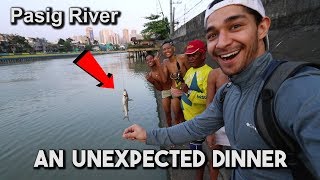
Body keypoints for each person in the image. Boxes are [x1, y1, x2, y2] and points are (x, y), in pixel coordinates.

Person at [123, 0, 320, 179]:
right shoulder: (228, 92)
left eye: (235, 26)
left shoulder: (301, 90)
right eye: (212, 34)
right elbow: (195, 126)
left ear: (262, 28)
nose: (223, 42)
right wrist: (148, 135)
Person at [179, 39, 213, 180]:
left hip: (199, 122)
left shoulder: (210, 73)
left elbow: (208, 97)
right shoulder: (190, 71)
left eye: (194, 55)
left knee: (196, 156)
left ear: (203, 55)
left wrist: (187, 92)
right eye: (188, 55)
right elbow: (184, 88)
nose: (190, 58)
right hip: (189, 120)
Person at [205, 68, 230, 180]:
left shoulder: (248, 70)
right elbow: (209, 102)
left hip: (238, 122)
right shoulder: (214, 74)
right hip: (219, 123)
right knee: (215, 159)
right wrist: (210, 131)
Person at [161, 40, 190, 124]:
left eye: (168, 48)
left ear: (173, 48)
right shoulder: (165, 62)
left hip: (186, 89)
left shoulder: (183, 57)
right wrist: (158, 66)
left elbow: (190, 71)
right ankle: (179, 133)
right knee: (177, 114)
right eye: (164, 49)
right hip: (175, 91)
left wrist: (184, 80)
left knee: (187, 113)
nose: (166, 51)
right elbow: (165, 79)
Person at [145, 53, 173, 127]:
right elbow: (160, 88)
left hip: (173, 88)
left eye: (151, 59)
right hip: (165, 91)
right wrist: (152, 81)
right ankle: (170, 128)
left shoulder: (163, 66)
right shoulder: (151, 74)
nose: (149, 61)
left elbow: (164, 80)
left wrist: (158, 64)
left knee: (177, 111)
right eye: (147, 60)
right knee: (166, 111)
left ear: (154, 58)